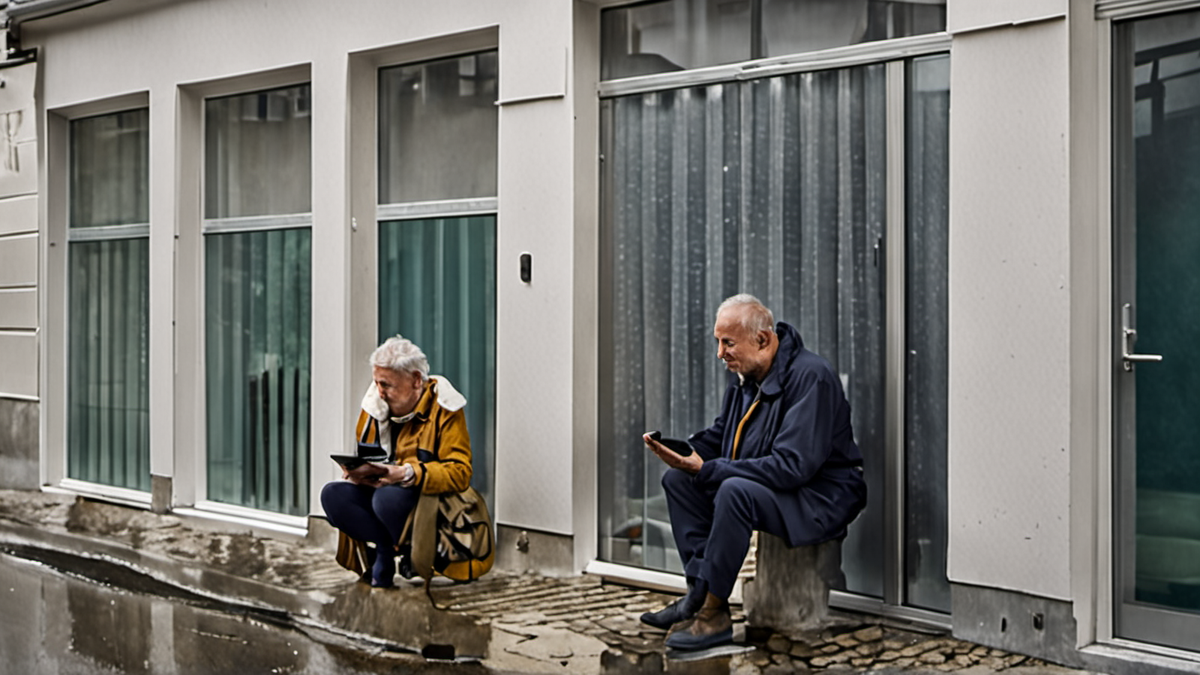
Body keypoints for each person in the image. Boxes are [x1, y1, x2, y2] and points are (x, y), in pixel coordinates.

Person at [640, 294, 867, 651]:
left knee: (733, 491)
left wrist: (713, 469)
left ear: (762, 340)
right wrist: (686, 453)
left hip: (820, 495)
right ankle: (698, 594)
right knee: (679, 481)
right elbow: (721, 435)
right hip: (778, 484)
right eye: (718, 342)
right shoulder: (746, 376)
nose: (720, 354)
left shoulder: (812, 377)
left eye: (727, 343)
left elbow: (794, 466)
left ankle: (715, 615)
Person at [321, 335, 472, 588]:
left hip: (428, 501)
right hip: (383, 492)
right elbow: (368, 456)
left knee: (387, 499)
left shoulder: (444, 408)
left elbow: (460, 472)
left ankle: (397, 553)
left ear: (415, 380)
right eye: (377, 382)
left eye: (387, 384)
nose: (379, 391)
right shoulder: (374, 406)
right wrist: (359, 473)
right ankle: (385, 548)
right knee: (333, 495)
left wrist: (405, 473)